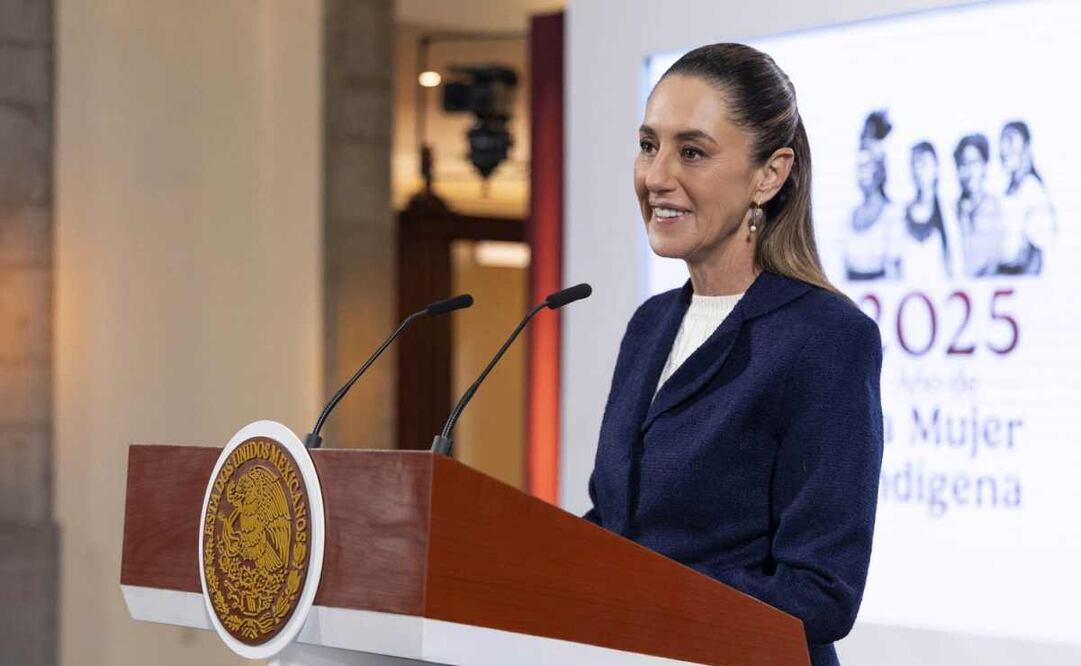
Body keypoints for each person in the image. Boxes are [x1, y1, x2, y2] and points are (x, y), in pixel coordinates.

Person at [582, 43, 883, 666]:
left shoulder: (826, 337)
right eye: (648, 145)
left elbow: (821, 592)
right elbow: (616, 522)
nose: (656, 176)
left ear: (770, 175)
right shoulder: (650, 326)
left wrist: (643, 598)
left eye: (691, 151)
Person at [844, 111, 902, 280]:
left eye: (869, 164)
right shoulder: (848, 218)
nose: (864, 172)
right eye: (861, 165)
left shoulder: (893, 216)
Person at [997, 120, 1055, 275]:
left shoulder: (1032, 189)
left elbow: (1037, 251)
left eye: (1010, 140)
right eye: (1002, 142)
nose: (1004, 149)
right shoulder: (1010, 190)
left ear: (1027, 147)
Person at [898, 141, 952, 280]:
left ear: (936, 168)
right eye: (915, 164)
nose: (919, 170)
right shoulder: (902, 214)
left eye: (925, 164)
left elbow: (954, 259)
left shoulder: (948, 212)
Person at [954, 134, 1003, 277]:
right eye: (963, 164)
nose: (969, 172)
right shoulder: (951, 211)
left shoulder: (996, 209)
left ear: (985, 166)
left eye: (974, 163)